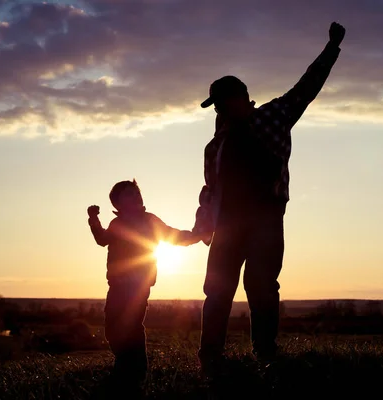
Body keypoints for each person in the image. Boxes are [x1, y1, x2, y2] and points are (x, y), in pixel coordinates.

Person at [192, 22, 346, 377]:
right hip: (229, 225)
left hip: (265, 218)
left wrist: (332, 47)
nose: (219, 113)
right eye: (216, 108)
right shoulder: (215, 145)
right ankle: (211, 356)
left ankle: (264, 354)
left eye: (223, 105)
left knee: (260, 287)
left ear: (241, 99)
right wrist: (203, 225)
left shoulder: (273, 116)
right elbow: (209, 191)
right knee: (217, 291)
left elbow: (307, 87)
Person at [87, 179, 198, 395]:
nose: (135, 196)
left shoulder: (150, 220)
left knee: (132, 325)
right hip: (117, 284)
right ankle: (124, 361)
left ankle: (136, 369)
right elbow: (102, 240)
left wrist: (196, 235)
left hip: (139, 284)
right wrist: (93, 219)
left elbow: (172, 235)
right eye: (128, 194)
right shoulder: (116, 224)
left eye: (136, 192)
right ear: (117, 204)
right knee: (112, 324)